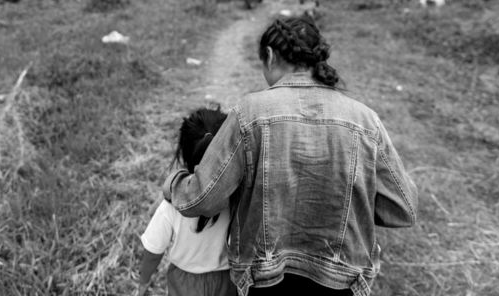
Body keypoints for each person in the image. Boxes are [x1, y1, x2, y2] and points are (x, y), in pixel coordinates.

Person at [163, 16, 418, 296]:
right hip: (342, 280)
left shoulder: (249, 113)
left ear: (270, 56)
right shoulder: (366, 120)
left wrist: (174, 183)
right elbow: (403, 208)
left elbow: (202, 198)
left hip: (267, 280)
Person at [136, 107, 236, 296]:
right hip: (227, 282)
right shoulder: (235, 195)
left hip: (185, 284)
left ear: (184, 153)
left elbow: (153, 250)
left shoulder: (173, 203)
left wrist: (144, 282)